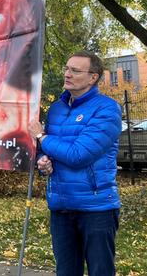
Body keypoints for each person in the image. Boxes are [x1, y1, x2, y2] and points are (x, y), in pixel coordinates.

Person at [28, 51, 122, 276]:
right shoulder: (56, 109)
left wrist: (42, 137)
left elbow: (79, 155)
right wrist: (43, 162)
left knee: (101, 271)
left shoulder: (107, 109)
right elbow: (47, 152)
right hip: (61, 206)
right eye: (66, 68)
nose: (67, 74)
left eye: (75, 70)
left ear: (93, 77)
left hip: (96, 208)